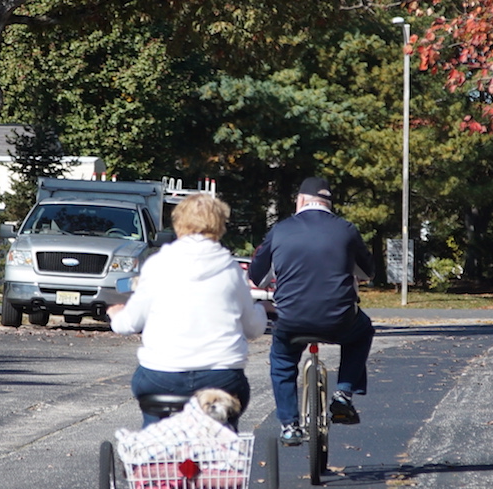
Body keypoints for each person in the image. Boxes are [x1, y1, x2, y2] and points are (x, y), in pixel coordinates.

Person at [110, 193, 269, 429]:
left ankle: (154, 450)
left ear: (178, 223)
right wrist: (261, 311)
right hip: (220, 377)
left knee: (151, 407)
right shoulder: (231, 270)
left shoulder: (158, 265)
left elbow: (130, 322)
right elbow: (253, 328)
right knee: (231, 407)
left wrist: (116, 315)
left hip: (163, 375)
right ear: (219, 224)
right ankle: (223, 448)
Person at [248, 177, 375, 446]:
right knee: (362, 331)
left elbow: (257, 277)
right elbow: (367, 272)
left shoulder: (280, 231)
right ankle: (344, 394)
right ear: (329, 203)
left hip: (291, 319)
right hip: (338, 320)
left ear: (301, 201)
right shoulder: (346, 230)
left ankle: (290, 425)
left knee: (282, 362)